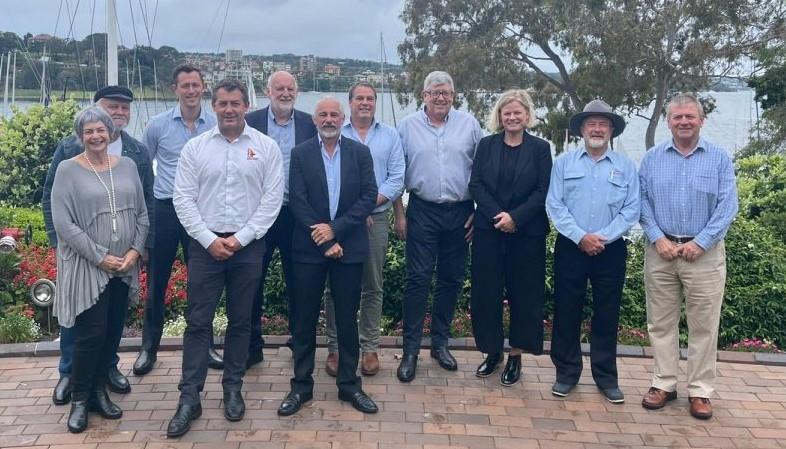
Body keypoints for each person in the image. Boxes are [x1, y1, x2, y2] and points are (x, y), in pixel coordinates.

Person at [166, 79, 283, 437]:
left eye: (236, 103)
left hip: (247, 248)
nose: (229, 109)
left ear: (246, 106)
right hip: (204, 247)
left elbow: (271, 200)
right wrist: (208, 239)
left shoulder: (266, 148)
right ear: (212, 106)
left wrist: (239, 239)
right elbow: (182, 198)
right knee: (198, 322)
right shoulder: (195, 148)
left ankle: (233, 388)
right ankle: (190, 397)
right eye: (223, 104)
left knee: (241, 322)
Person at [43, 85, 154, 405]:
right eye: (111, 107)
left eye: (123, 108)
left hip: (124, 262)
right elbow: (57, 210)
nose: (97, 134)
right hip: (84, 260)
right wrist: (62, 245)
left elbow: (145, 205)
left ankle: (103, 376)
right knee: (83, 328)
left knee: (109, 326)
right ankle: (71, 377)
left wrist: (137, 249)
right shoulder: (67, 154)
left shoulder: (135, 155)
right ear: (82, 132)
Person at [639, 93, 738, 420]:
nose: (683, 122)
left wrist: (702, 242)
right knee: (661, 323)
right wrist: (657, 238)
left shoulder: (719, 158)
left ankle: (700, 391)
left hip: (704, 255)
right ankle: (663, 383)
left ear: (701, 120)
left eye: (689, 117)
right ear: (668, 121)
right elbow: (642, 204)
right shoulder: (652, 158)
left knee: (704, 326)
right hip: (661, 253)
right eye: (677, 117)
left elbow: (727, 207)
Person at [277, 97, 378, 416]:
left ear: (343, 117)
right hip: (309, 250)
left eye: (335, 114)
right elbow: (298, 201)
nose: (330, 119)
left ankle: (350, 385)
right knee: (304, 320)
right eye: (323, 114)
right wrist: (323, 241)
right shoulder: (301, 153)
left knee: (347, 319)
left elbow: (367, 198)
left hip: (348, 246)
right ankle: (301, 387)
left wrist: (335, 230)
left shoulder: (360, 152)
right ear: (315, 120)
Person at [545, 99, 639, 403]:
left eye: (603, 124)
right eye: (591, 123)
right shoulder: (564, 163)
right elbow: (554, 205)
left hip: (610, 250)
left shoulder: (626, 167)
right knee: (566, 310)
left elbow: (631, 210)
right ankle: (566, 373)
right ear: (581, 129)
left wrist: (602, 238)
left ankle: (606, 377)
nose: (597, 129)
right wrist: (580, 236)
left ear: (611, 130)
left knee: (607, 314)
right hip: (571, 247)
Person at [393, 70, 482, 382]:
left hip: (461, 212)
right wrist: (399, 213)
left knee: (451, 279)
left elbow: (483, 172)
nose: (441, 97)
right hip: (422, 210)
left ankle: (440, 343)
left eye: (446, 92)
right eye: (435, 93)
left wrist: (479, 212)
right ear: (424, 96)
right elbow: (396, 173)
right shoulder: (406, 127)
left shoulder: (470, 125)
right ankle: (410, 351)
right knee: (417, 279)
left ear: (453, 96)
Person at [134, 64, 223, 376]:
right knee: (157, 283)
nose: (190, 90)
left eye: (195, 85)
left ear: (203, 88)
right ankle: (149, 348)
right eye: (184, 85)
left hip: (202, 212)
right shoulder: (157, 126)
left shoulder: (215, 124)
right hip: (166, 209)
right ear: (175, 89)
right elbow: (145, 171)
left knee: (203, 282)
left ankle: (205, 344)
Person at [468, 89, 552, 386]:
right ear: (499, 117)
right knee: (486, 293)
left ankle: (516, 354)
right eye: (507, 113)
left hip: (527, 233)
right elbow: (476, 184)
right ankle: (493, 352)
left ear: (527, 116)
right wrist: (498, 216)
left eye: (518, 112)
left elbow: (543, 190)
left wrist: (515, 217)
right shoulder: (486, 145)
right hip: (489, 231)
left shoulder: (541, 149)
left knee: (524, 295)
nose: (512, 117)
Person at [323, 82, 405, 377]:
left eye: (370, 98)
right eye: (359, 98)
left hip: (376, 219)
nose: (365, 103)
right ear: (350, 102)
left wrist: (366, 208)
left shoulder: (390, 136)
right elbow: (327, 178)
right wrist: (352, 215)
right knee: (336, 288)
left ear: (375, 102)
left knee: (373, 286)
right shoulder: (334, 132)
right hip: (341, 223)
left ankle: (369, 347)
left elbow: (396, 178)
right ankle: (335, 347)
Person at [246, 71, 318, 365]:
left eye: (290, 88)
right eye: (280, 88)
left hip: (296, 215)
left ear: (297, 92)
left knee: (299, 281)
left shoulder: (309, 124)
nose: (285, 93)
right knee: (252, 281)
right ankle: (252, 346)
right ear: (268, 91)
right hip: (259, 215)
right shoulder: (250, 123)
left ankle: (299, 343)